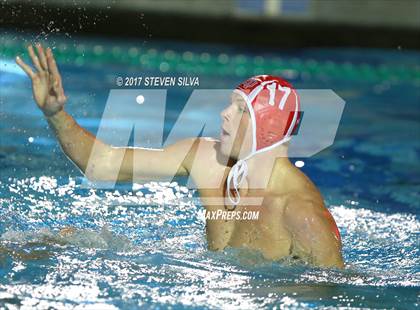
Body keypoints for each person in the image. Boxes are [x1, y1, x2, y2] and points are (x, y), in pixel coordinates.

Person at [16, 43, 344, 268]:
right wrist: (55, 113)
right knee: (58, 241)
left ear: (268, 126)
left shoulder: (301, 214)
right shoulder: (206, 158)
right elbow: (100, 164)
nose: (225, 114)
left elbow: (335, 292)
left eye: (240, 109)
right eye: (230, 103)